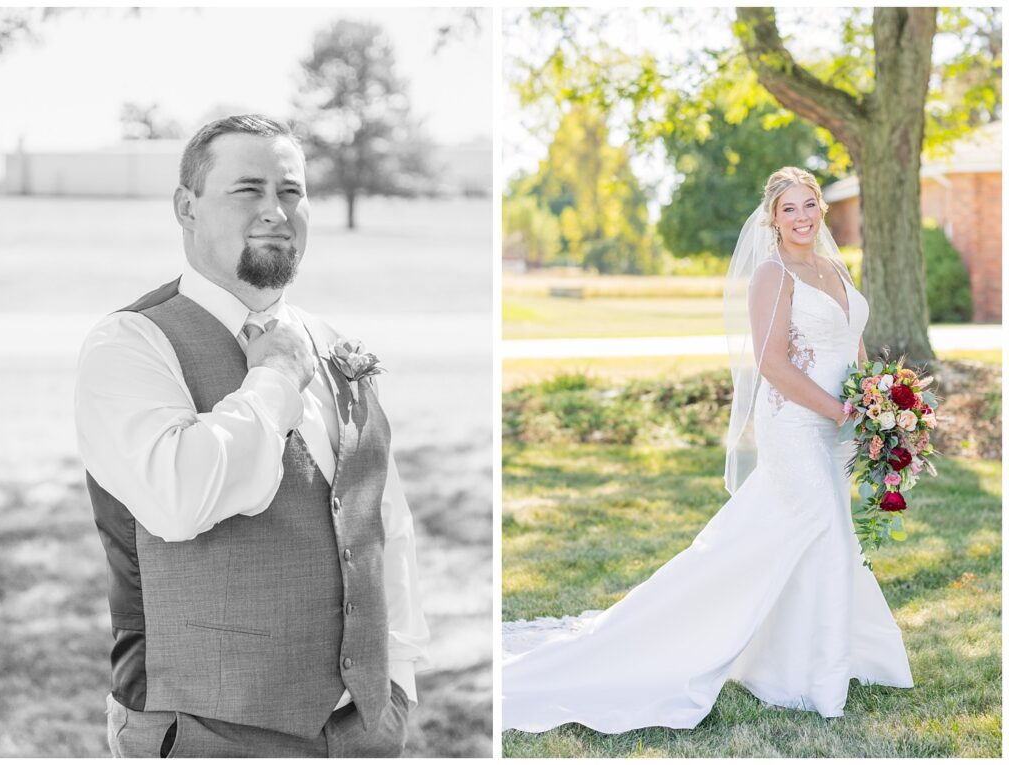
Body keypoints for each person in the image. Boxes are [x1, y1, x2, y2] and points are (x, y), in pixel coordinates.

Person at [501, 167, 913, 734]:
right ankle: (819, 678)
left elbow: (853, 343)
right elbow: (772, 365)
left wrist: (877, 403)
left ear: (822, 209)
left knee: (797, 538)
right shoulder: (772, 275)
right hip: (794, 425)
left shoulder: (836, 268)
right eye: (789, 209)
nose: (803, 217)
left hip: (838, 428)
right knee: (829, 534)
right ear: (772, 218)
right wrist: (844, 410)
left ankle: (794, 658)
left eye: (810, 205)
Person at [75, 114, 430, 757]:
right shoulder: (130, 344)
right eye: (248, 190)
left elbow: (380, 518)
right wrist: (274, 378)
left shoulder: (330, 342)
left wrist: (396, 679)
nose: (275, 210)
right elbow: (182, 498)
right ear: (187, 207)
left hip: (363, 729)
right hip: (207, 730)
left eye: (290, 192)